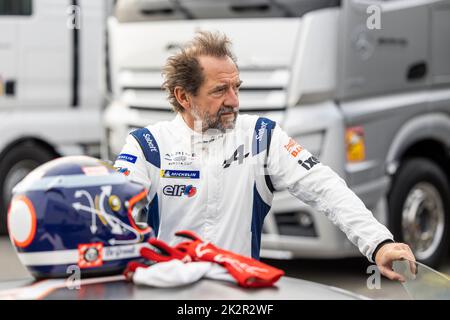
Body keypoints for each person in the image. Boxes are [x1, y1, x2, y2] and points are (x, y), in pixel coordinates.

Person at [114, 31, 416, 282]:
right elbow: (110, 212)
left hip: (239, 294)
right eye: (220, 90)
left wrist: (378, 242)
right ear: (183, 96)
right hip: (168, 293)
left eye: (236, 87)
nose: (234, 100)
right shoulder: (147, 145)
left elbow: (325, 187)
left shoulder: (261, 136)